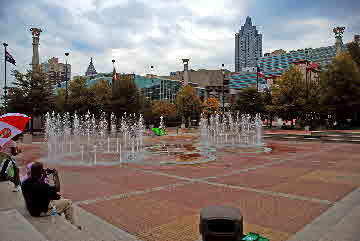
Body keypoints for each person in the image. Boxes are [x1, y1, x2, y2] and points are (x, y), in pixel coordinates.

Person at [21, 161, 81, 229]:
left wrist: (42, 176)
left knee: (56, 199)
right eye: (42, 170)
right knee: (68, 203)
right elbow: (57, 189)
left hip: (31, 208)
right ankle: (74, 226)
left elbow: (37, 187)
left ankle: (61, 216)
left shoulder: (25, 183)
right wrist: (56, 175)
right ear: (40, 172)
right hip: (40, 211)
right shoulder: (42, 186)